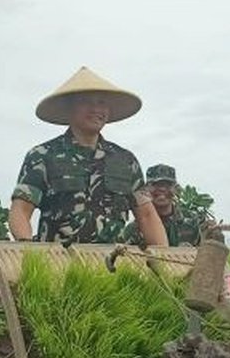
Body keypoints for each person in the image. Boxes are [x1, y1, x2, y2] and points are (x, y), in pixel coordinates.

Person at [9, 67, 167, 246]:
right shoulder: (42, 156)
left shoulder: (126, 161)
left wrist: (166, 259)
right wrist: (27, 250)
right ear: (69, 108)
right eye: (86, 101)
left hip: (114, 260)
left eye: (101, 102)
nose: (96, 109)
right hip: (58, 260)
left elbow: (147, 216)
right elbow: (21, 211)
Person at [121, 164, 206, 247]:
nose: (162, 189)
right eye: (155, 184)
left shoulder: (192, 222)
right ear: (146, 189)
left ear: (176, 189)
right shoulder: (134, 228)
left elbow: (202, 252)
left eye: (168, 184)